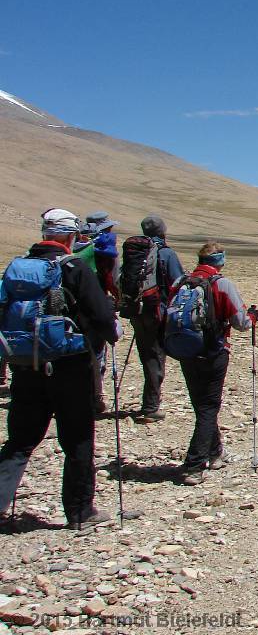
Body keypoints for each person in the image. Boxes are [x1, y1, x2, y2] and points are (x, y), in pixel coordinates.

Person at [0, 208, 120, 530]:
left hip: (26, 367)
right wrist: (112, 333)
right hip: (71, 368)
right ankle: (80, 512)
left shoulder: (17, 268)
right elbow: (102, 317)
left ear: (44, 233)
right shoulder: (74, 268)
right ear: (70, 237)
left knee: (20, 439)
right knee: (78, 440)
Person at [173, 242, 257, 486]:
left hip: (185, 350)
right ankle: (194, 465)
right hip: (213, 352)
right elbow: (241, 322)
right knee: (209, 407)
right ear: (220, 260)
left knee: (201, 405)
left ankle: (215, 452)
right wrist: (253, 316)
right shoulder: (221, 284)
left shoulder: (180, 283)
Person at [129, 215, 183, 423]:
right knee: (156, 356)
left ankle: (150, 400)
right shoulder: (166, 253)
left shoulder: (137, 252)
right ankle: (151, 405)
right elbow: (177, 282)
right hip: (157, 311)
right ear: (163, 231)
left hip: (138, 310)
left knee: (147, 354)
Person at [83, 212, 120, 414]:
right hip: (98, 302)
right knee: (97, 351)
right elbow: (113, 279)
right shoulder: (105, 246)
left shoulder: (76, 242)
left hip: (71, 306)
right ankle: (94, 396)